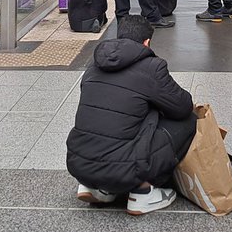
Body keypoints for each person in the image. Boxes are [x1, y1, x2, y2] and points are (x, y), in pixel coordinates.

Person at [66, 14, 197, 215]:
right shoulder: (152, 67)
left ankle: (100, 186)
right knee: (188, 120)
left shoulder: (94, 65)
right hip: (127, 169)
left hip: (79, 162)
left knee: (122, 117)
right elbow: (182, 107)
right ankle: (143, 190)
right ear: (147, 42)